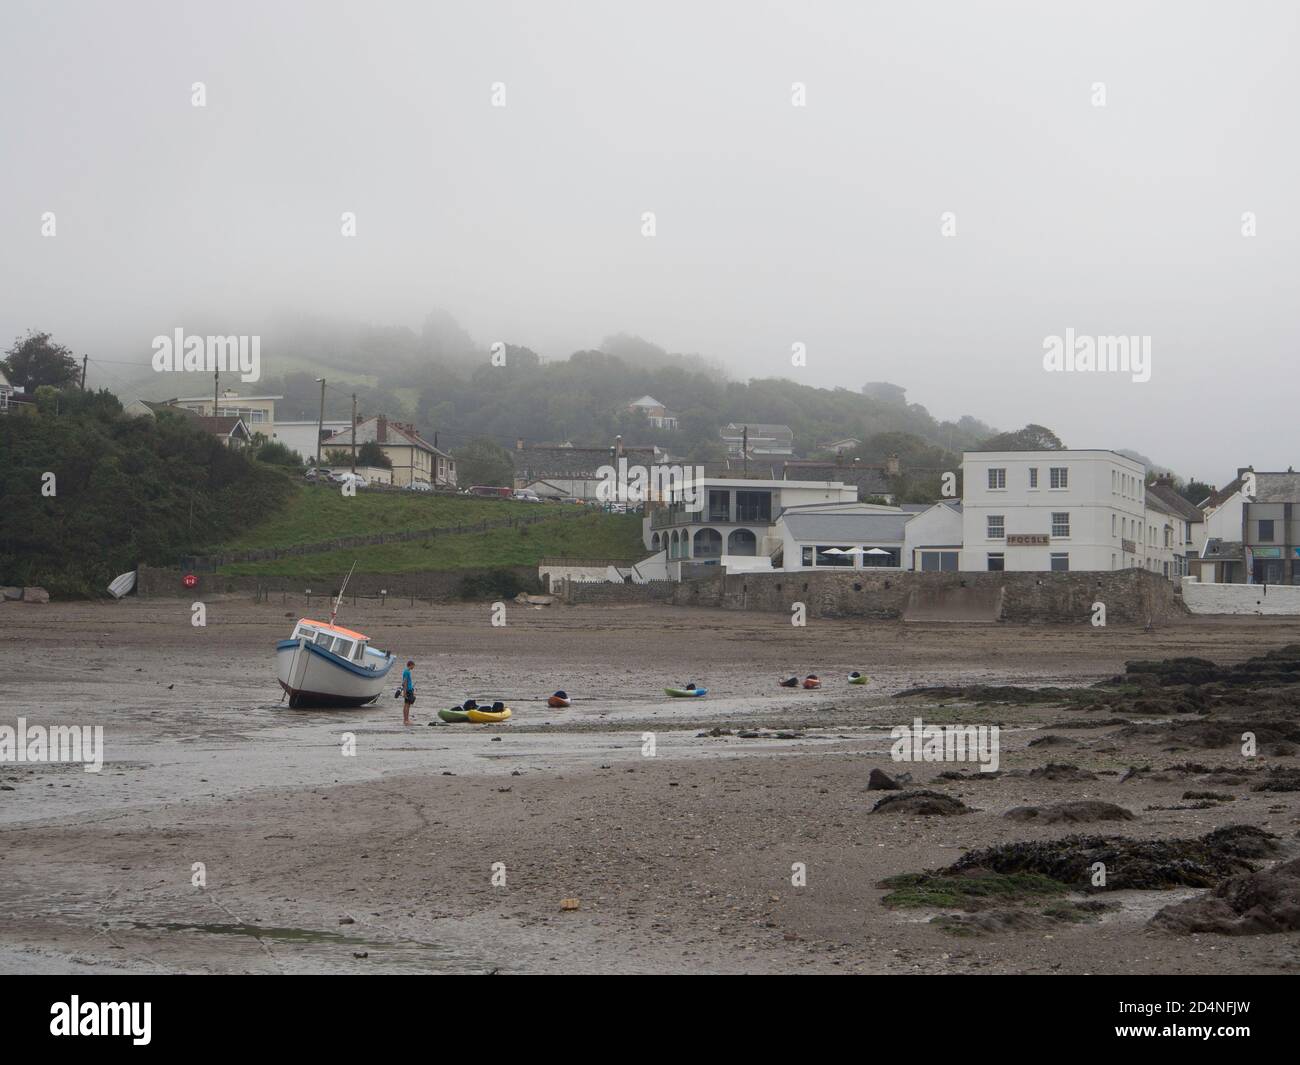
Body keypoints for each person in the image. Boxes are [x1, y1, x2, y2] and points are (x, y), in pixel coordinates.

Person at [401, 660, 416, 725]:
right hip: (408, 690)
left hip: (409, 690)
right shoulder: (407, 672)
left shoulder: (406, 671)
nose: (413, 667)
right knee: (407, 705)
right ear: (411, 665)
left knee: (406, 705)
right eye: (413, 666)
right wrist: (404, 692)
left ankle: (406, 720)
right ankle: (406, 720)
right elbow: (405, 682)